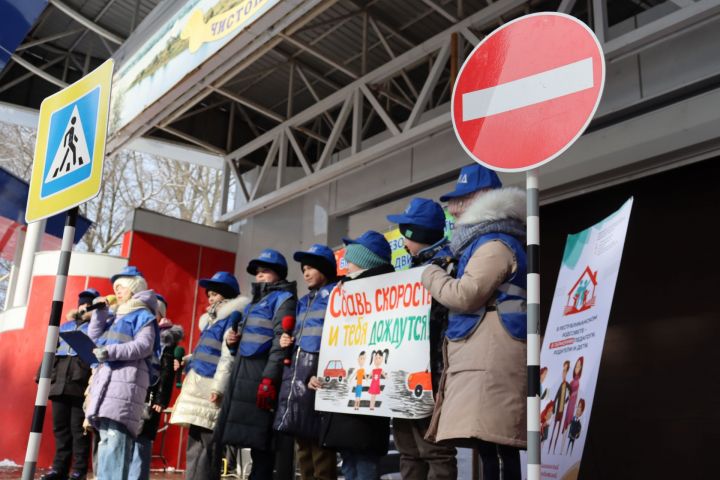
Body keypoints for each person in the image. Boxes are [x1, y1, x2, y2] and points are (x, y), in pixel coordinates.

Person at [421, 165, 528, 480]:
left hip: (490, 356)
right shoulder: (486, 242)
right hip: (485, 353)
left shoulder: (493, 244)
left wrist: (431, 274)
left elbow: (466, 295)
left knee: (495, 447)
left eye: (461, 200)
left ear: (483, 200)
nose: (453, 210)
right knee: (491, 446)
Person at [385, 198, 457, 480]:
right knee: (408, 449)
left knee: (434, 449)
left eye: (405, 233)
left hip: (433, 372)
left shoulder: (447, 266)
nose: (403, 241)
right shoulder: (413, 270)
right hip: (406, 372)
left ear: (416, 233)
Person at [314, 231, 394, 480]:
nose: (345, 265)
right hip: (346, 391)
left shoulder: (384, 291)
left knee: (362, 461)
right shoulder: (343, 292)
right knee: (351, 461)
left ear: (366, 260)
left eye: (351, 259)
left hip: (366, 390)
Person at [215, 249, 298, 480]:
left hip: (260, 381)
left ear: (279, 275)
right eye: (258, 273)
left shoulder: (284, 300)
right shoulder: (253, 304)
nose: (259, 276)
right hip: (243, 379)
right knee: (250, 442)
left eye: (265, 272)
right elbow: (250, 340)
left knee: (263, 445)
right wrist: (234, 343)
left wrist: (269, 380)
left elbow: (280, 344)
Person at [170, 272, 248, 480]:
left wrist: (218, 388)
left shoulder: (231, 320)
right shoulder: (212, 322)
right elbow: (204, 353)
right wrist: (186, 361)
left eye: (215, 295)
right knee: (195, 445)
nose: (211, 299)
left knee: (209, 447)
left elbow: (227, 357)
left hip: (210, 390)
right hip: (198, 388)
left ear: (226, 295)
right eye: (209, 295)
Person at [85, 266, 161, 480]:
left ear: (134, 288)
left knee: (117, 439)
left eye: (122, 287)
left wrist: (110, 352)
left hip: (126, 384)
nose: (117, 291)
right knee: (106, 440)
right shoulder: (116, 315)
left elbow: (144, 346)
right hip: (107, 385)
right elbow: (95, 340)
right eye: (115, 288)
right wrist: (100, 312)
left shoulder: (143, 314)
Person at [274, 244, 339, 480]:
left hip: (319, 381)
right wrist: (286, 341)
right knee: (303, 449)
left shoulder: (337, 295)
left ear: (325, 268)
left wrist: (322, 372)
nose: (306, 273)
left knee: (321, 450)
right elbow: (300, 338)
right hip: (297, 380)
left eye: (311, 268)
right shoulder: (303, 301)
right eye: (304, 269)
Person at [40, 289, 99, 480]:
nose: (85, 306)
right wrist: (42, 374)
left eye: (89, 303)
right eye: (82, 303)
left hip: (80, 384)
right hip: (59, 383)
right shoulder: (65, 326)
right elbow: (51, 350)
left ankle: (79, 470)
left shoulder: (96, 327)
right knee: (60, 429)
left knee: (78, 429)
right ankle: (59, 469)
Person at [129, 294, 185, 480]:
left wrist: (161, 398)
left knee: (142, 438)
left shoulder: (166, 340)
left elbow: (167, 372)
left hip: (151, 396)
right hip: (134, 392)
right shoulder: (139, 332)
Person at [549, 360, 571, 455]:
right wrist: (553, 410)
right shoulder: (561, 385)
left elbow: (570, 394)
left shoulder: (567, 385)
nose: (563, 374)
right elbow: (556, 397)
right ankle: (550, 448)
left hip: (562, 410)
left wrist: (566, 401)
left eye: (565, 372)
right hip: (557, 409)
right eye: (563, 372)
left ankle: (554, 450)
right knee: (554, 428)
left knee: (558, 430)